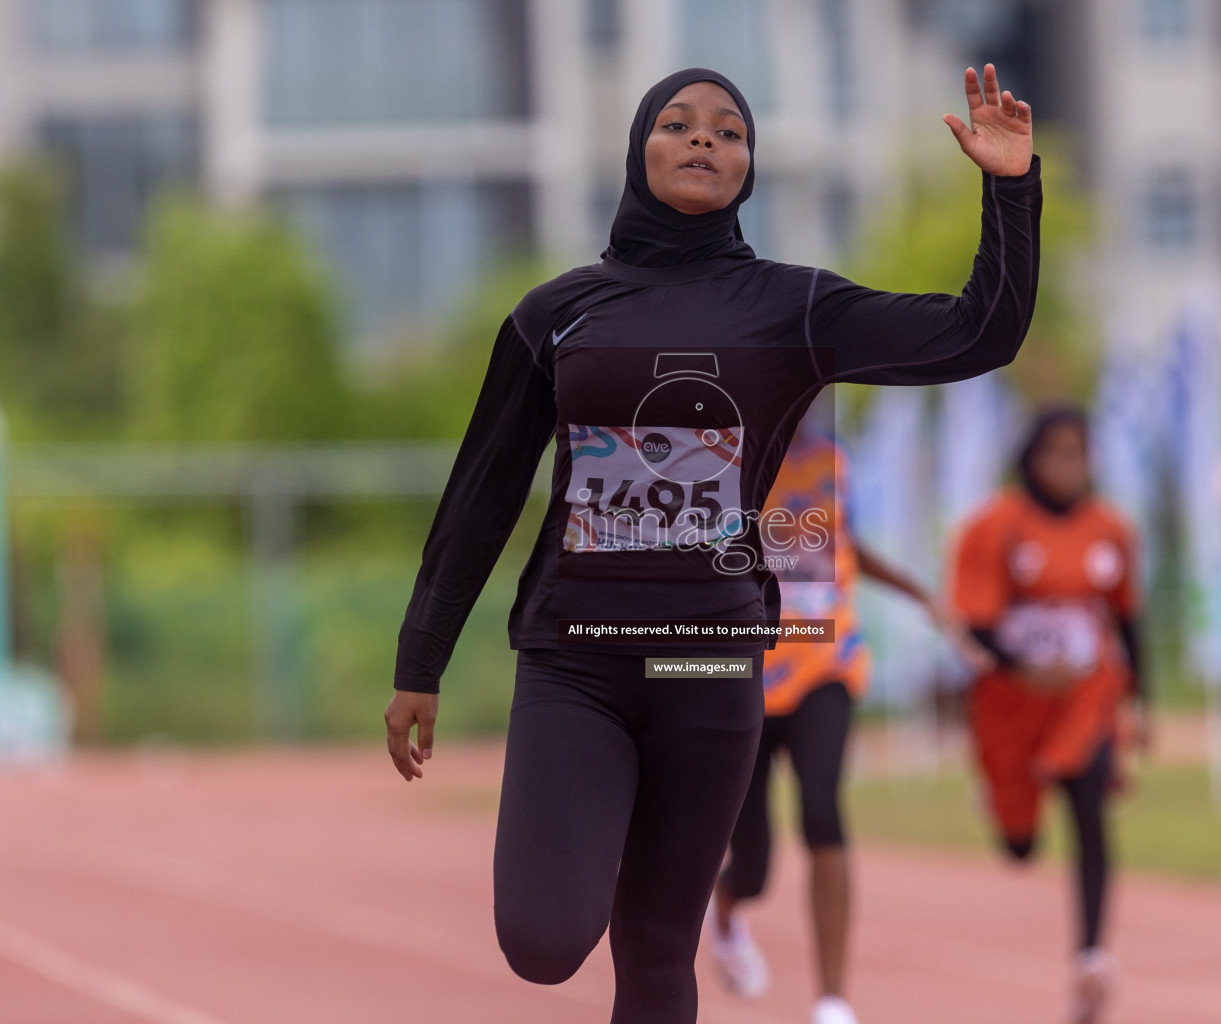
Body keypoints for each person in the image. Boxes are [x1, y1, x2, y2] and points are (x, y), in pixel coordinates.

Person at [385, 64, 1041, 1024]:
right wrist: (422, 659)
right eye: (681, 125)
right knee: (541, 940)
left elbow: (980, 334)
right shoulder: (556, 313)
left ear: (748, 168)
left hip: (709, 663)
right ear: (639, 148)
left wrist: (1009, 187)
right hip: (576, 664)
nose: (705, 141)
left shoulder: (794, 308)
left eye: (729, 131)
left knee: (657, 951)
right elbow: (480, 496)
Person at [704, 396, 992, 1024]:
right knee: (753, 866)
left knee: (821, 808)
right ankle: (726, 908)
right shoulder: (718, 466)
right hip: (744, 673)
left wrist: (924, 597)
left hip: (825, 663)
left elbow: (846, 545)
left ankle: (832, 1000)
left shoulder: (832, 461)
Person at [943, 407, 1149, 1024]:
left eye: (1078, 454)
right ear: (1030, 459)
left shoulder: (1110, 529)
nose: (1068, 466)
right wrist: (1024, 668)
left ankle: (1090, 956)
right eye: (1056, 453)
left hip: (1086, 696)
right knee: (1020, 847)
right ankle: (1004, 804)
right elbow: (975, 625)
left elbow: (1130, 619)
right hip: (1010, 704)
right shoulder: (994, 527)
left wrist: (1143, 702)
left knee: (1091, 804)